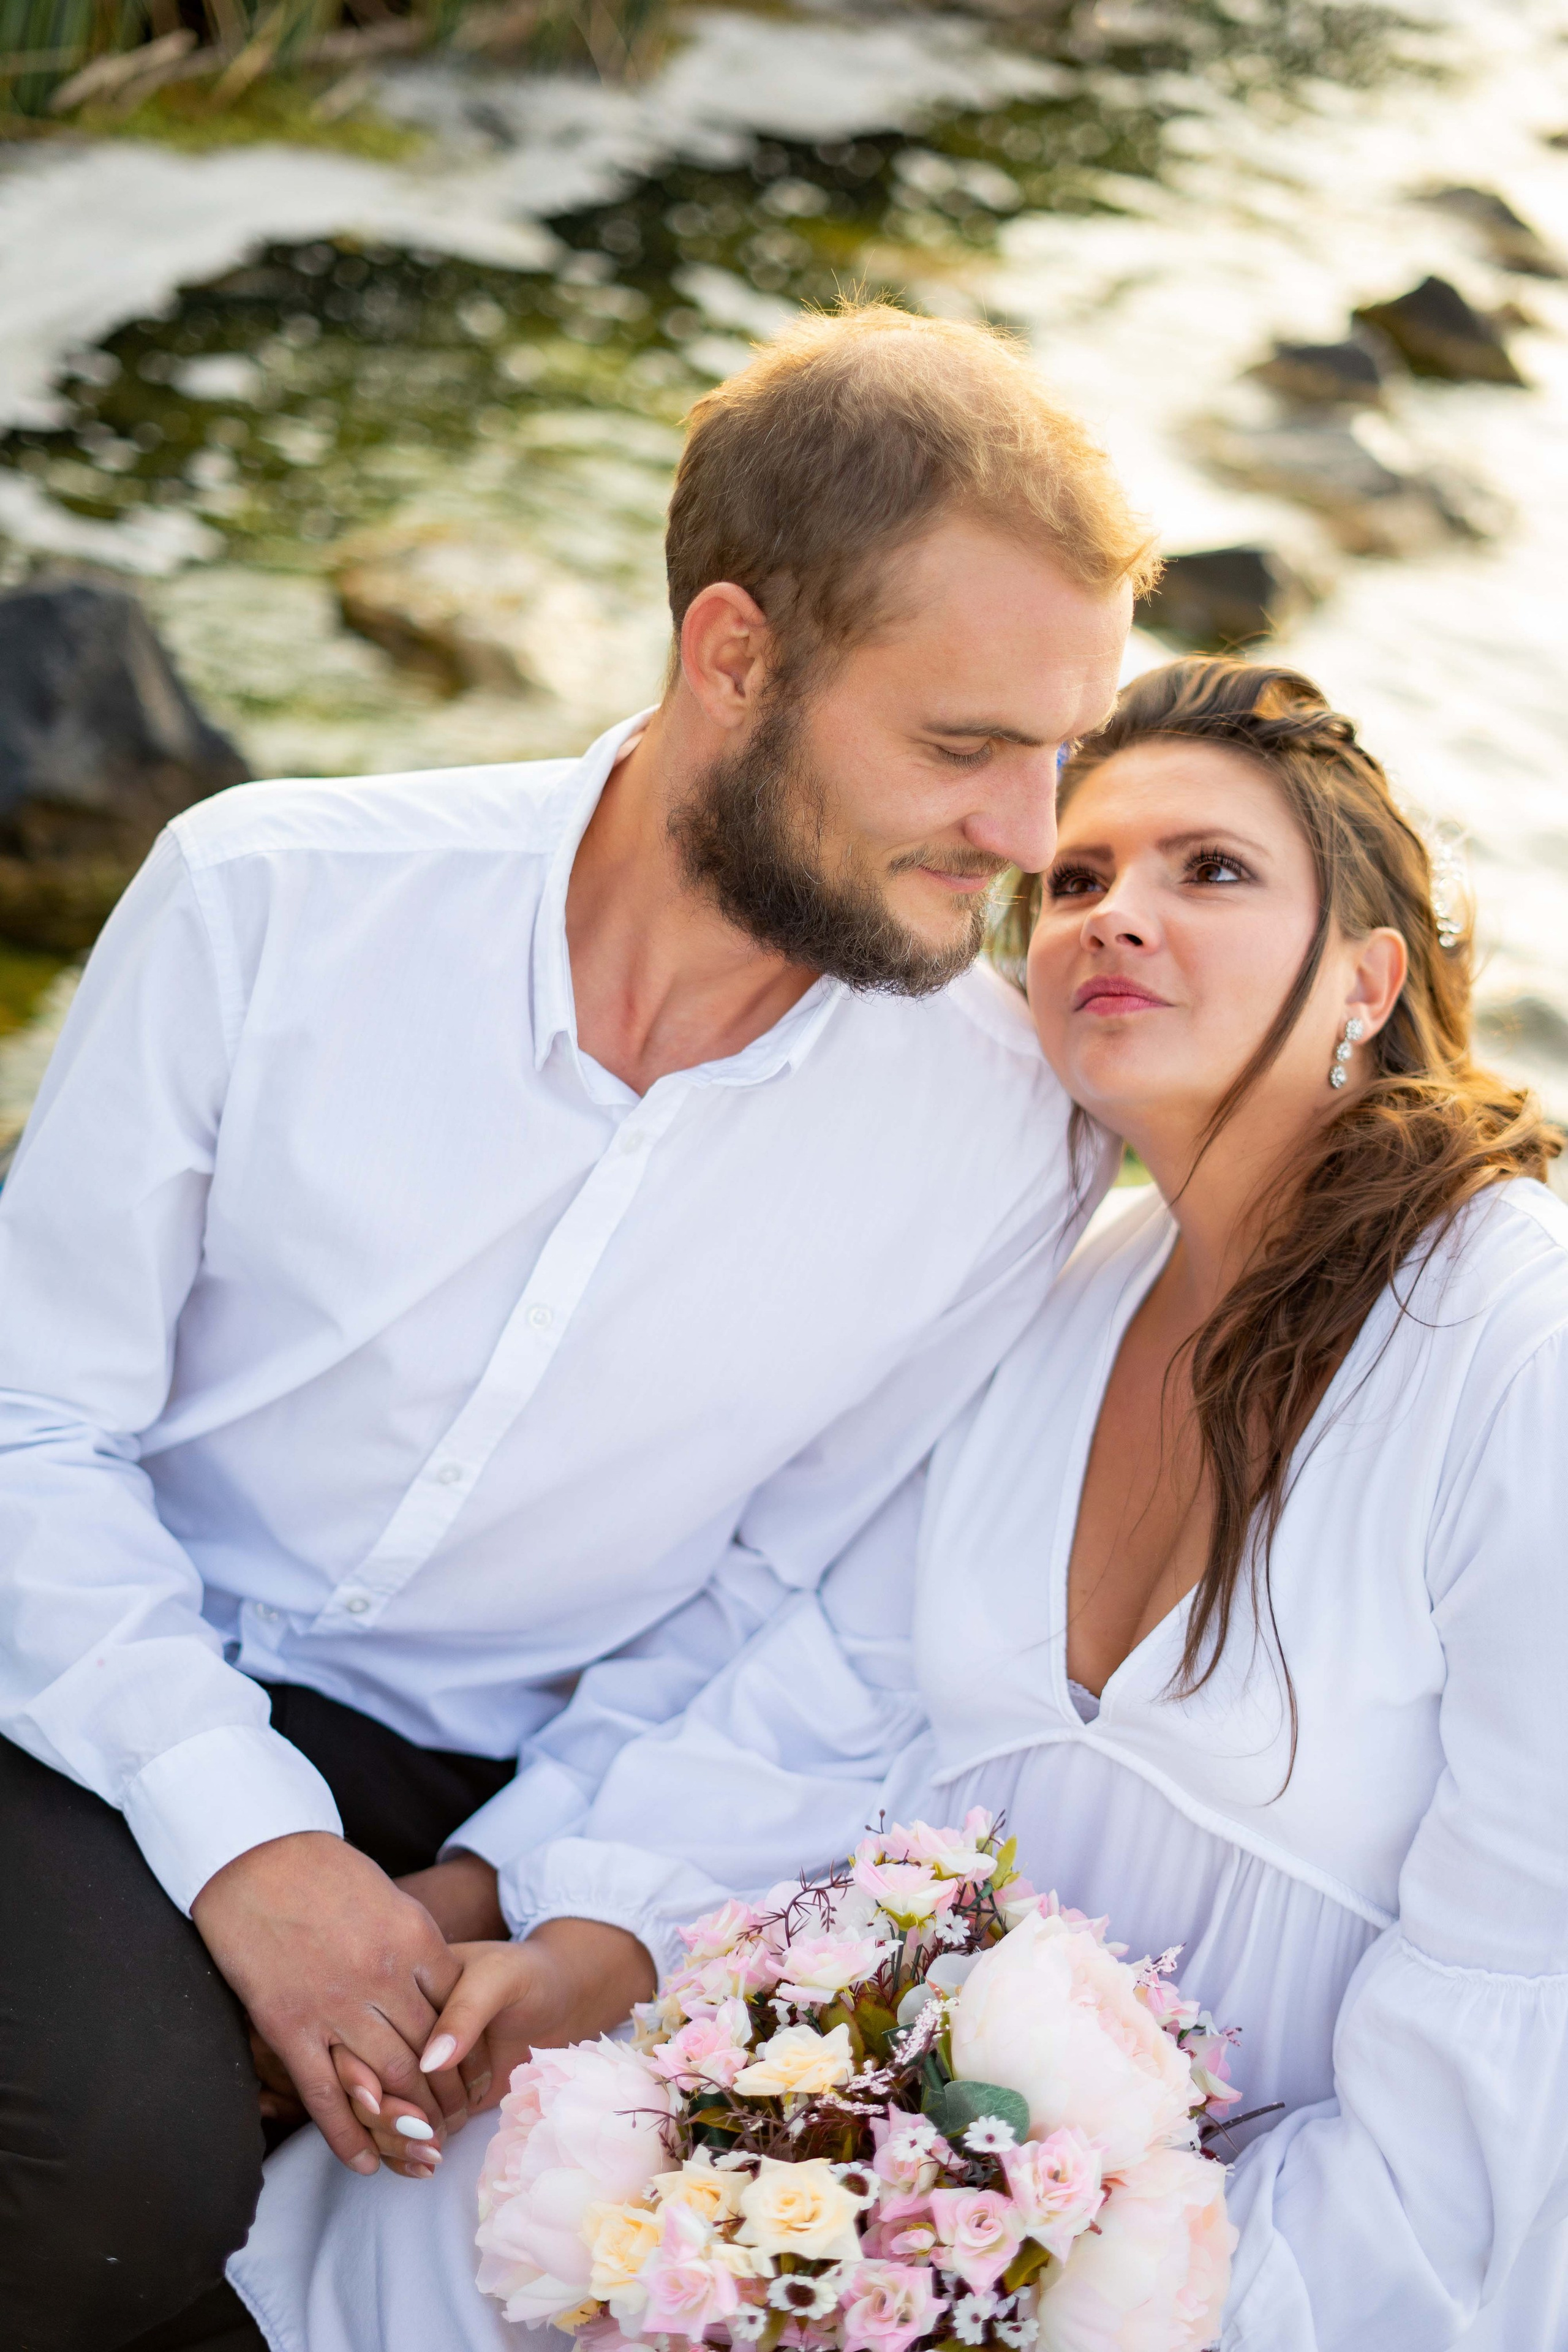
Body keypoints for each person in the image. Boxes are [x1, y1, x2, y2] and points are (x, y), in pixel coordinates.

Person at [0, 304, 1153, 2352]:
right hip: (99, 1664)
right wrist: (248, 1850)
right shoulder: (267, 903)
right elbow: (28, 1428)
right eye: (962, 744)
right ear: (733, 657)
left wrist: (541, 1904)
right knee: (115, 2164)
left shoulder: (1009, 1143)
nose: (1028, 832)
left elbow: (795, 1597)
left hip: (499, 1788)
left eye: (1062, 746)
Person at [236, 657, 1568, 2351]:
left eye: (1207, 870)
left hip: (1265, 2258)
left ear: (1367, 979)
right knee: (409, 2205)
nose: (1112, 916)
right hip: (898, 2169)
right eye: (1074, 879)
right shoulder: (1065, 1294)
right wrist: (591, 1941)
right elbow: (828, 1695)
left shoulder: (1512, 1349)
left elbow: (1518, 2010)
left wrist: (1086, 2305)